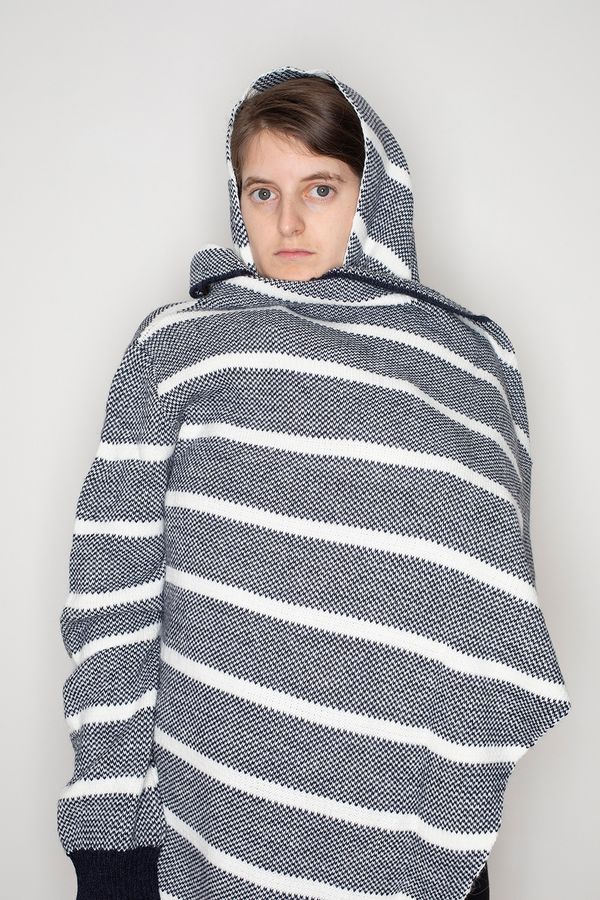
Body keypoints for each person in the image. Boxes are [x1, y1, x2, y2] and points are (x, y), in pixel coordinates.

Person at [57, 65, 571, 900]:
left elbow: (487, 601)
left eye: (320, 189)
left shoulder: (471, 360)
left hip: (413, 835)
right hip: (205, 830)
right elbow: (112, 604)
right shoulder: (181, 346)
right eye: (262, 193)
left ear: (374, 198)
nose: (288, 222)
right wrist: (110, 836)